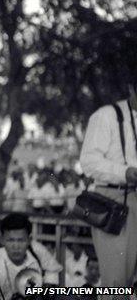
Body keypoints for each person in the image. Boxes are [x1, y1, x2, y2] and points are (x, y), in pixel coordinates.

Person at [79, 78, 137, 293]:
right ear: (131, 88)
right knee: (116, 282)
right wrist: (125, 172)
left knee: (128, 282)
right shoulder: (106, 116)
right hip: (113, 201)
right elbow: (89, 162)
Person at [0, 213, 62, 300]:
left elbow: (53, 270)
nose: (16, 246)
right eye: (10, 240)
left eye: (21, 240)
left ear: (29, 240)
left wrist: (47, 288)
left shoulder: (37, 250)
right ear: (2, 240)